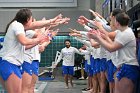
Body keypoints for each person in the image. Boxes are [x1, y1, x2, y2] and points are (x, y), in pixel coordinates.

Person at [0, 8, 68, 93]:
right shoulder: (17, 25)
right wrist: (39, 39)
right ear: (28, 19)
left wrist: (53, 21)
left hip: (13, 63)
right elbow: (24, 41)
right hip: (10, 63)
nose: (33, 23)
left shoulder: (20, 26)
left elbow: (37, 26)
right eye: (32, 20)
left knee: (27, 89)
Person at [88, 12, 139, 93]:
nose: (110, 24)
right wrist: (101, 36)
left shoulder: (126, 33)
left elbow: (111, 48)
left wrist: (98, 37)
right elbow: (110, 41)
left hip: (128, 67)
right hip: (123, 66)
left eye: (112, 21)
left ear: (117, 23)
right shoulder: (121, 32)